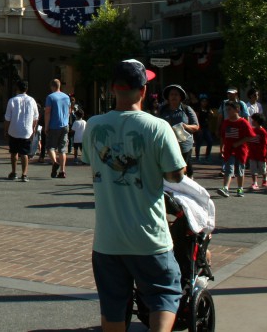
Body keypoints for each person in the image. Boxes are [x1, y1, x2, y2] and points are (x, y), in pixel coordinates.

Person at [84, 59, 186, 332]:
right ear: (143, 91)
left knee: (113, 304)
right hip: (149, 237)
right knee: (165, 292)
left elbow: (90, 161)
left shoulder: (93, 126)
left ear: (112, 88)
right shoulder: (158, 127)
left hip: (107, 240)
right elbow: (175, 175)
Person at [157, 84, 199, 177]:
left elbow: (196, 127)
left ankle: (187, 184)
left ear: (181, 97)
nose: (173, 96)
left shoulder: (187, 109)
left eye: (176, 94)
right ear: (168, 97)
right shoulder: (162, 110)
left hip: (184, 144)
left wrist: (185, 126)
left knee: (182, 168)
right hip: (167, 144)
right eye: (171, 94)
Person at [216, 100, 256, 197]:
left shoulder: (243, 122)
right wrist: (222, 147)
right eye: (226, 110)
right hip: (229, 150)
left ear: (237, 110)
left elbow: (251, 136)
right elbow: (223, 136)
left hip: (241, 151)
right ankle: (225, 188)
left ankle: (240, 188)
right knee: (228, 169)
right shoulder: (226, 123)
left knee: (240, 170)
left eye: (230, 109)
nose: (228, 112)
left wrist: (238, 143)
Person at [5, 80, 38, 182]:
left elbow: (7, 118)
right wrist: (33, 128)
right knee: (24, 153)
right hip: (26, 130)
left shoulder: (12, 100)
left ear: (17, 88)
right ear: (26, 89)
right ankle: (24, 174)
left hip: (14, 129)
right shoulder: (32, 100)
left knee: (14, 152)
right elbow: (36, 117)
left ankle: (14, 172)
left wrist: (6, 130)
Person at [44, 79, 72, 179]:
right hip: (64, 125)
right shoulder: (66, 97)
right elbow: (69, 111)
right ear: (59, 86)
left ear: (52, 86)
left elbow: (47, 112)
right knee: (62, 149)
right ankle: (62, 171)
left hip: (53, 125)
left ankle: (55, 162)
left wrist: (46, 126)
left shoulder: (50, 97)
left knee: (50, 147)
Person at [248, 113, 267, 190]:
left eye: (253, 120)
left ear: (257, 121)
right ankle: (255, 182)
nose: (252, 121)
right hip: (252, 153)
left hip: (261, 154)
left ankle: (265, 179)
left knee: (263, 169)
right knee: (253, 169)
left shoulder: (263, 132)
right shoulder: (252, 130)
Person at [193, 94, 214, 162]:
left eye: (205, 101)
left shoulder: (208, 109)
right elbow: (196, 118)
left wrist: (211, 114)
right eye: (203, 101)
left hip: (206, 127)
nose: (204, 103)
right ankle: (197, 156)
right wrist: (198, 128)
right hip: (200, 127)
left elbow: (211, 116)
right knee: (199, 142)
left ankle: (207, 156)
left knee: (210, 141)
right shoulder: (198, 109)